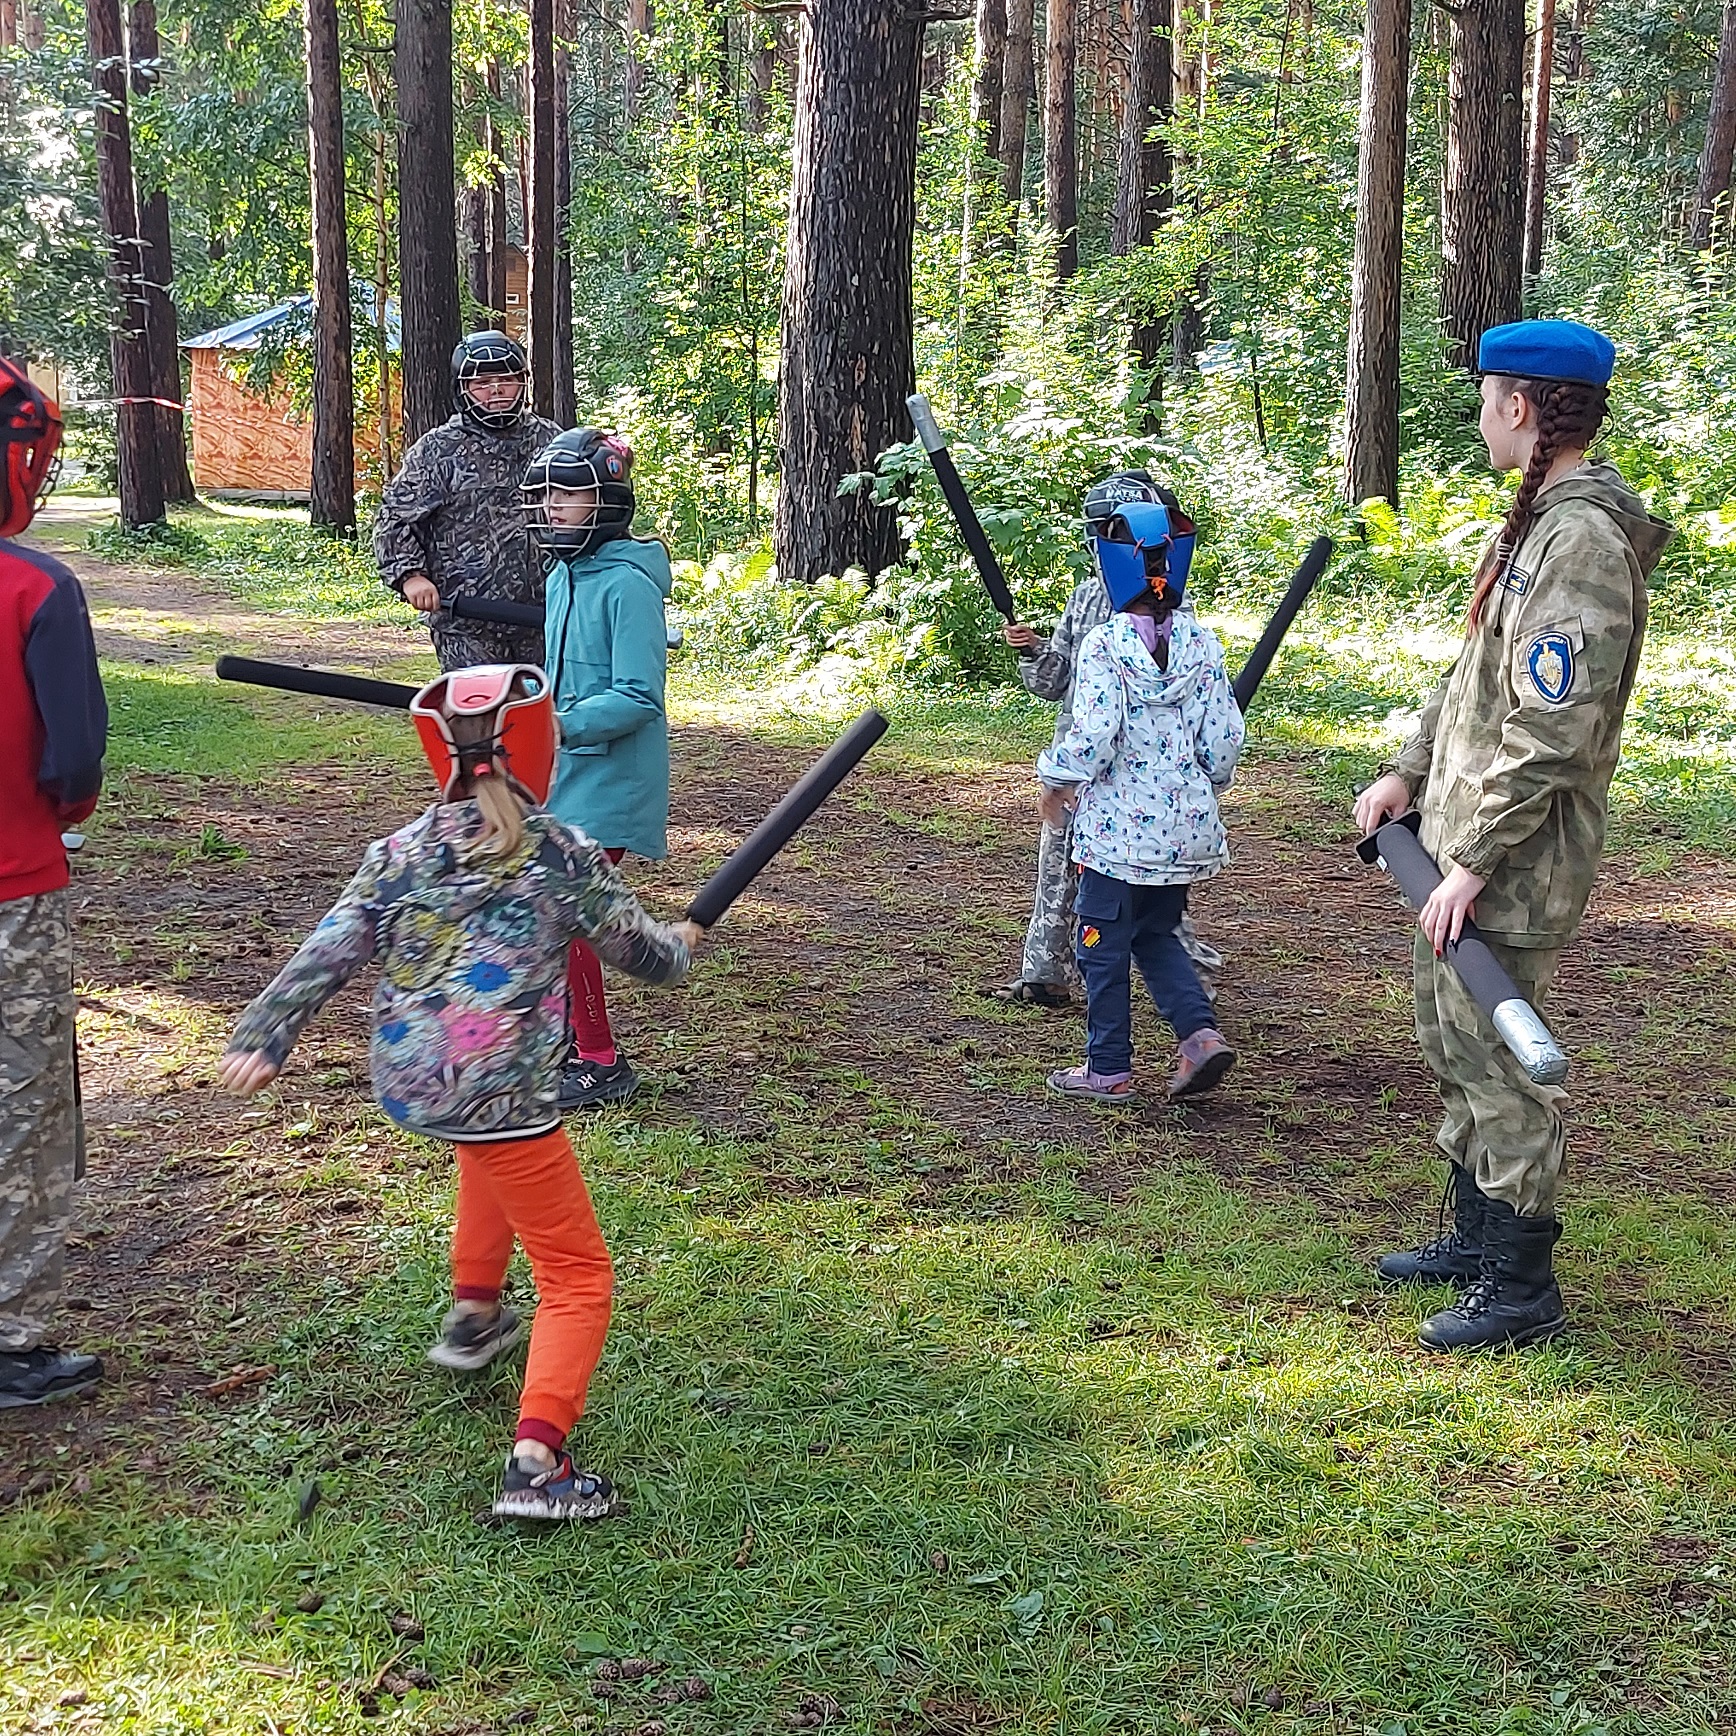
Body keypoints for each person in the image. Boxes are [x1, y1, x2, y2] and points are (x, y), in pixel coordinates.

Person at [218, 665, 703, 1519]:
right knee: (578, 1276)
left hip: (417, 1082)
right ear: (540, 742)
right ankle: (537, 1466)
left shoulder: (401, 852)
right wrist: (682, 940)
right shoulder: (558, 852)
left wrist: (265, 1033)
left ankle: (475, 1315)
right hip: (503, 1086)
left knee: (490, 1158)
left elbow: (330, 947)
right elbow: (648, 959)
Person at [1354, 318, 1673, 1353]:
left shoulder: (1579, 543)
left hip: (1514, 859)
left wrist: (1475, 860)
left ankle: (1520, 1285)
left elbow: (1552, 728)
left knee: (1497, 1059)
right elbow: (1472, 678)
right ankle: (1475, 1234)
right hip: (1460, 841)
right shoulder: (1533, 521)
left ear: (1520, 406)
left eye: (1488, 399)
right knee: (1451, 1040)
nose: (1481, 416)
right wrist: (1408, 770)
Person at [986, 470, 1224, 1007]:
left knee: (1148, 885)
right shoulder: (1086, 599)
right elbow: (1055, 683)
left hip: (1139, 776)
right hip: (1079, 766)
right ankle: (1045, 974)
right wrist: (1031, 649)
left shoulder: (1172, 610)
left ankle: (1191, 990)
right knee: (1058, 863)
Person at [1036, 494, 1244, 1103]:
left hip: (1117, 835)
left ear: (1111, 565)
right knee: (1156, 933)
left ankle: (1108, 1067)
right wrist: (1201, 786)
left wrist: (1057, 779)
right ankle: (1199, 1036)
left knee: (1098, 941)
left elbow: (1094, 734)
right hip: (1184, 833)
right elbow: (1223, 740)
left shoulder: (1105, 645)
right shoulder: (1203, 644)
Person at [0, 356, 109, 1408]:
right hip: (14, 886)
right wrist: (57, 814)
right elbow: (73, 762)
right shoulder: (38, 589)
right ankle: (7, 1335)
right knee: (24, 1104)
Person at [521, 428, 674, 1109]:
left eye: (569, 493)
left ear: (606, 500)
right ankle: (564, 1041)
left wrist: (563, 724)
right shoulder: (562, 575)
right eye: (546, 493)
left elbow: (638, 696)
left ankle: (601, 1059)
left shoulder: (628, 586)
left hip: (612, 779)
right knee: (547, 903)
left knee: (570, 909)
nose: (553, 505)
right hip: (564, 776)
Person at [374, 333, 559, 671]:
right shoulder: (438, 450)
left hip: (544, 620)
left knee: (546, 705)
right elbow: (395, 518)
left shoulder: (551, 442)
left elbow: (585, 510)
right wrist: (410, 576)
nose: (496, 390)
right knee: (481, 705)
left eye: (506, 379)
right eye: (482, 383)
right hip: (466, 624)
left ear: (523, 382)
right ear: (463, 389)